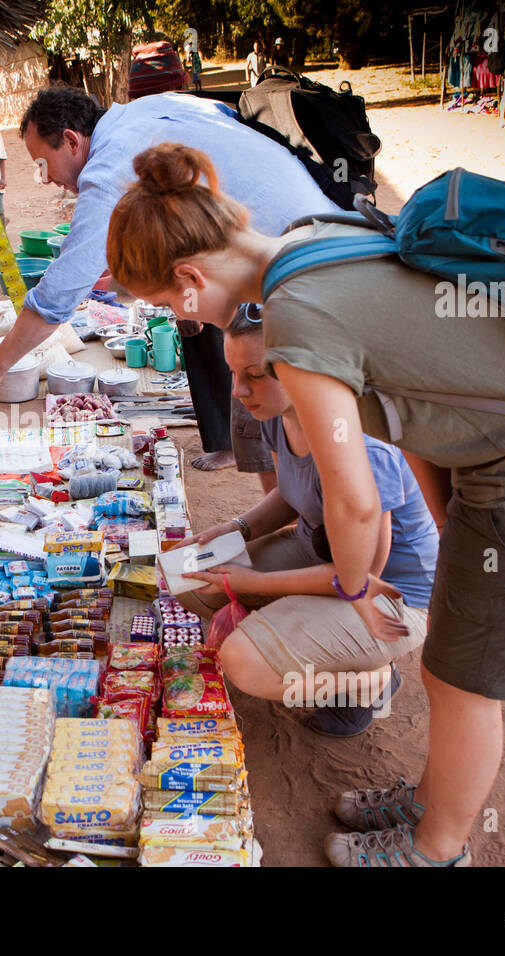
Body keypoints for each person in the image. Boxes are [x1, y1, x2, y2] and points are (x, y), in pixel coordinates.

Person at [104, 143, 505, 867]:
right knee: (448, 669)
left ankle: (436, 849)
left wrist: (352, 588)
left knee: (466, 682)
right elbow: (412, 408)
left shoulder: (294, 317)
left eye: (170, 304)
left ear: (191, 276)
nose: (182, 318)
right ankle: (430, 805)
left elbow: (354, 501)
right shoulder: (314, 239)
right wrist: (446, 521)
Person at [0, 86, 336, 477]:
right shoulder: (143, 112)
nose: (46, 179)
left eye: (42, 163)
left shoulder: (108, 168)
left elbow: (61, 291)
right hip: (318, 231)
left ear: (70, 140)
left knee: (307, 439)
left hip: (308, 273)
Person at [175, 305, 438, 736]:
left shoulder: (362, 445)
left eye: (256, 374)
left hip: (388, 594)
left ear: (305, 368)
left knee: (242, 660)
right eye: (234, 372)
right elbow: (289, 493)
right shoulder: (278, 414)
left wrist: (253, 584)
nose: (239, 390)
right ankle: (307, 631)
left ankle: (371, 682)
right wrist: (236, 529)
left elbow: (358, 577)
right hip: (319, 548)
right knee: (191, 576)